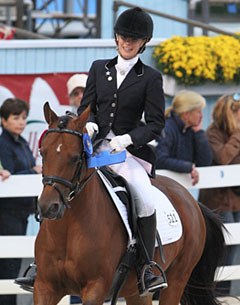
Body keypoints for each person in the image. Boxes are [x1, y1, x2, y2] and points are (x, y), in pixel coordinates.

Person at [15, 6, 167, 296]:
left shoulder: (150, 77)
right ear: (116, 37)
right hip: (93, 147)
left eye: (133, 39)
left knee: (144, 198)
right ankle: (41, 264)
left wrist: (128, 138)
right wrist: (92, 125)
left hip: (126, 153)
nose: (127, 42)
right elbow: (89, 106)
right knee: (58, 188)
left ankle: (146, 267)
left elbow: (156, 124)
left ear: (143, 42)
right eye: (123, 36)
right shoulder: (100, 68)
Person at [0, 98, 42, 305]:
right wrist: (33, 171)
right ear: (3, 120)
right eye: (15, 117)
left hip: (22, 212)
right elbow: (10, 175)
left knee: (14, 262)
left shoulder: (22, 143)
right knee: (7, 262)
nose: (21, 122)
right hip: (7, 212)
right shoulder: (3, 144)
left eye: (24, 117)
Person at [199, 93, 240, 296]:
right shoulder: (213, 132)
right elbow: (223, 158)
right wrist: (237, 136)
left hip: (236, 200)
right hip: (219, 201)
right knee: (222, 249)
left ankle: (228, 293)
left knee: (234, 250)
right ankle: (218, 294)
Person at [155, 90, 212, 186]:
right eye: (198, 112)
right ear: (186, 114)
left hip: (178, 188)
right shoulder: (166, 129)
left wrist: (199, 134)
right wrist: (188, 167)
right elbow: (160, 160)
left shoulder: (190, 130)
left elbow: (205, 163)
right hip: (162, 187)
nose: (201, 116)